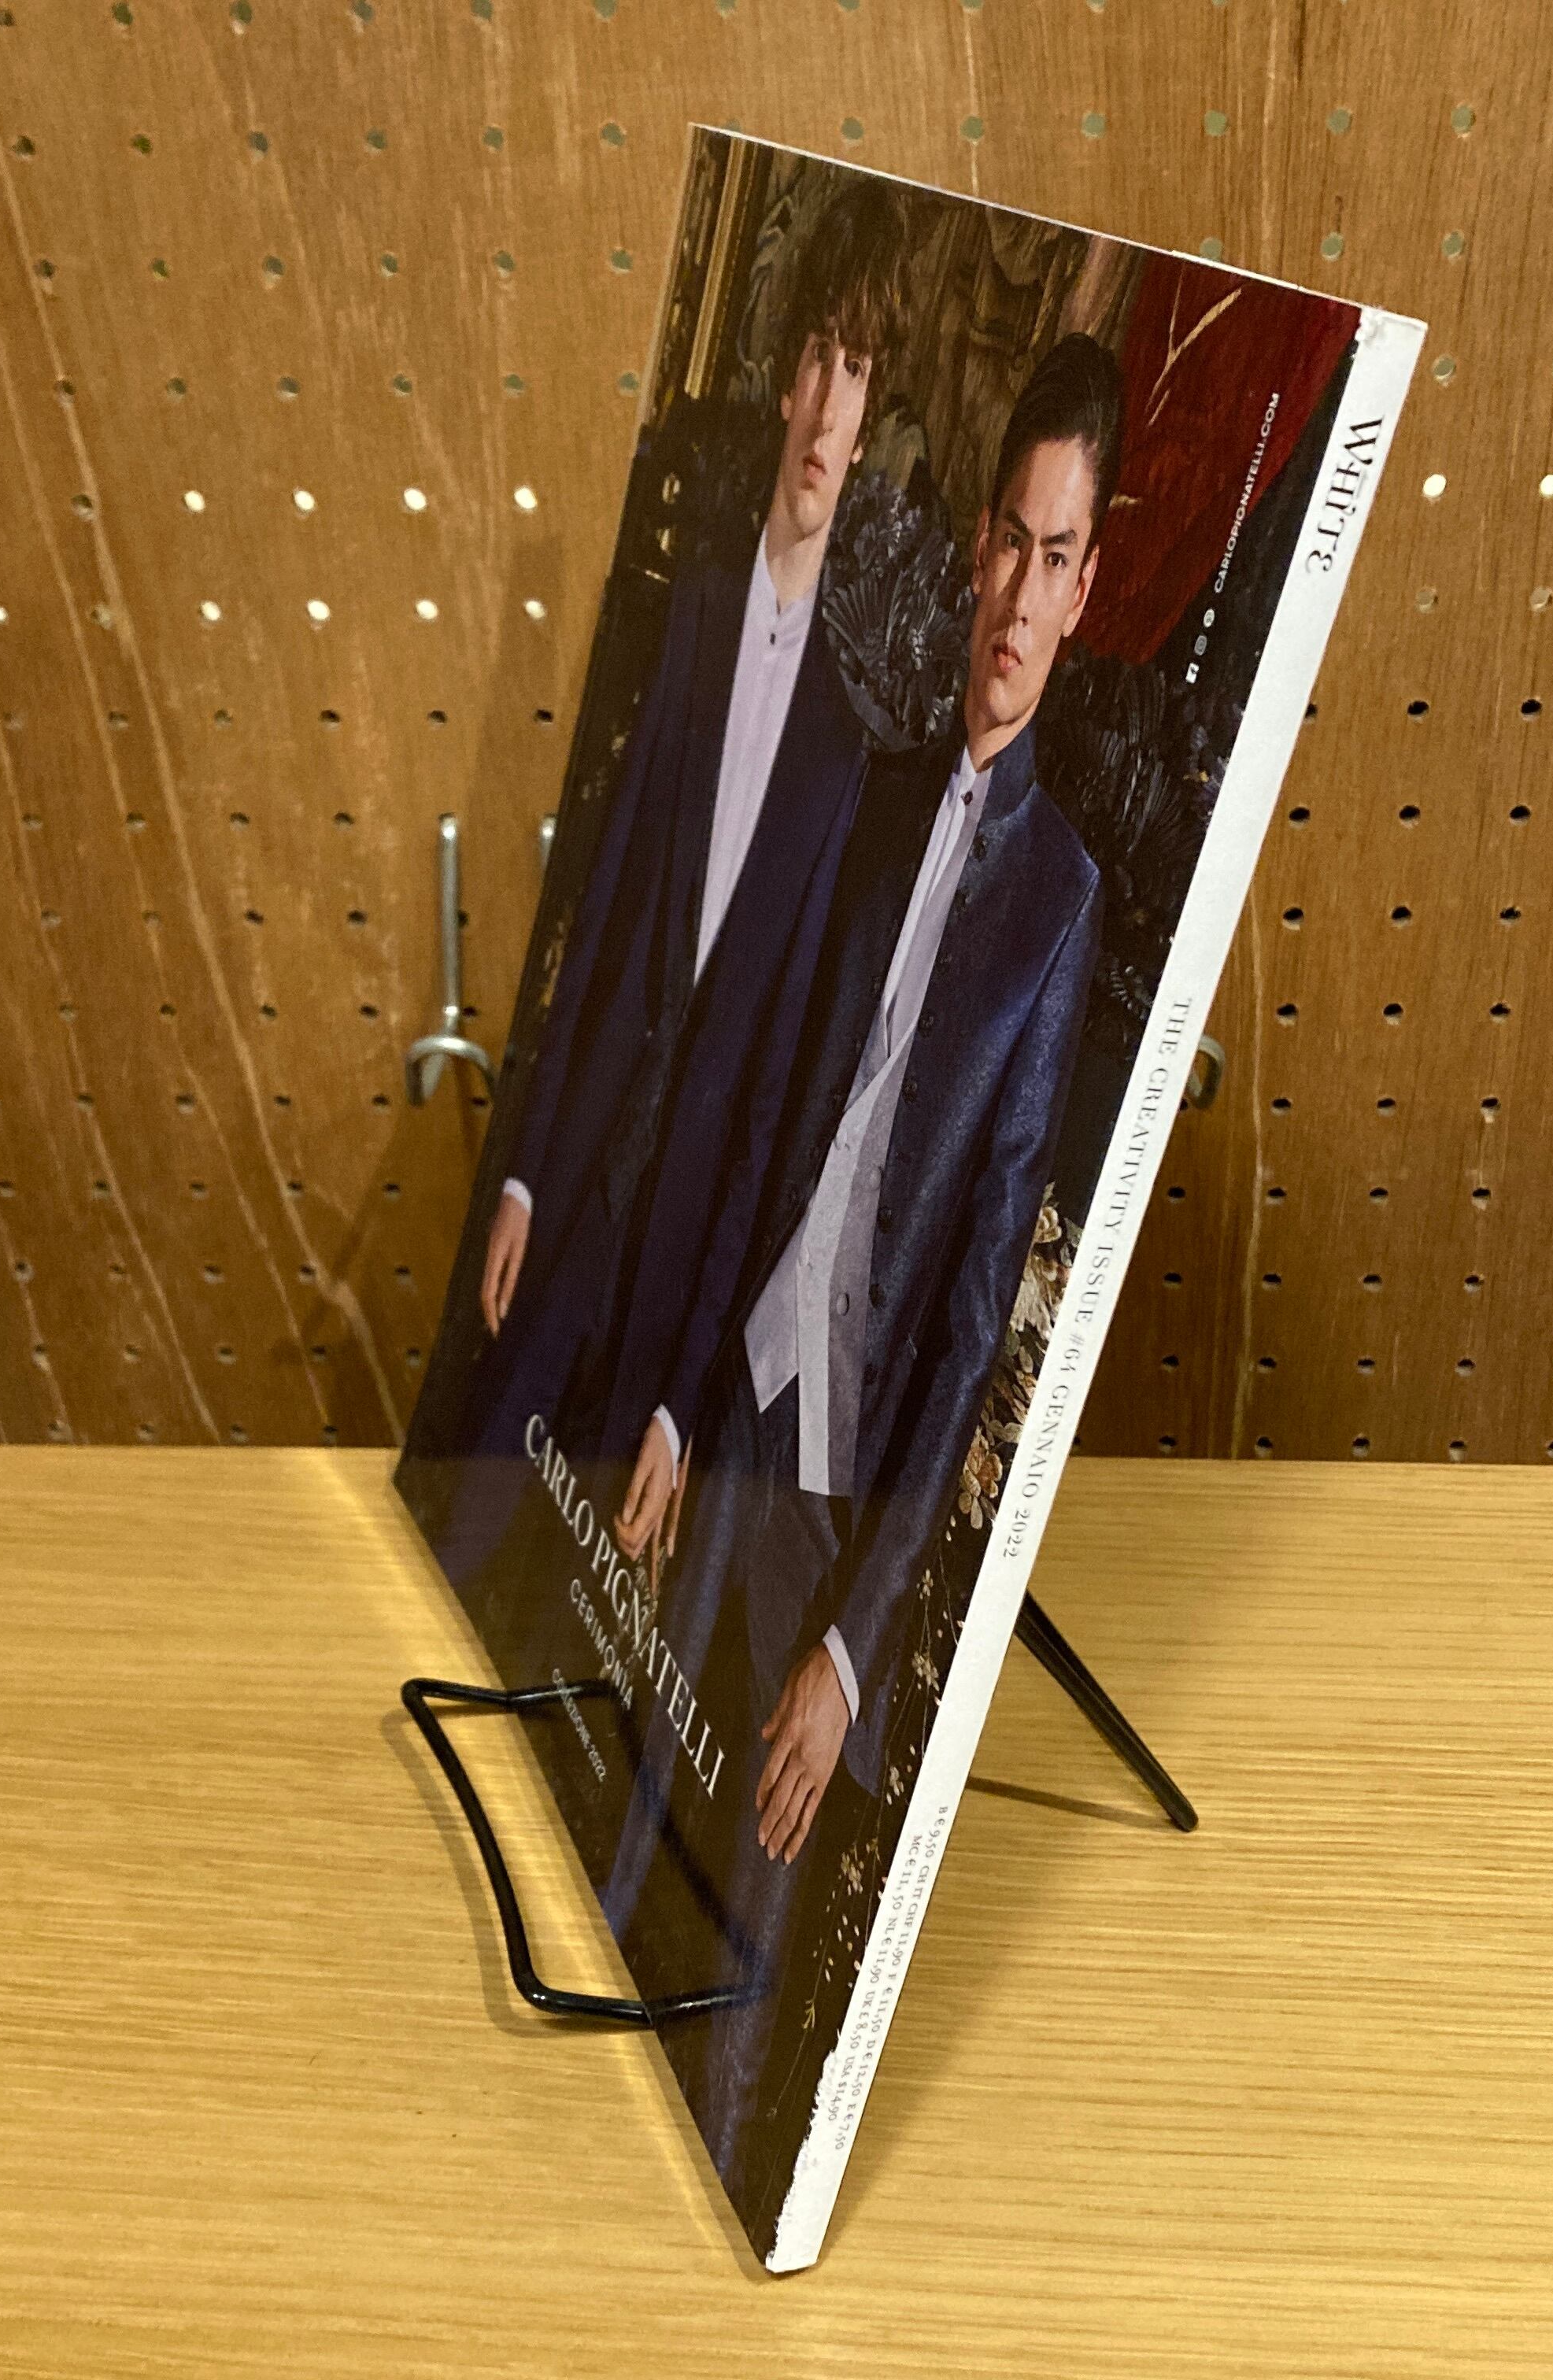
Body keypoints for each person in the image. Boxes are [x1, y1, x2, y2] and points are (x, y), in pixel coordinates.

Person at [605, 334, 1124, 2189]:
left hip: (842, 1512)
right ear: (978, 547)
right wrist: (679, 1396)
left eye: (1060, 558)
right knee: (627, 1836)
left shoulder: (1060, 905)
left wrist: (851, 1644)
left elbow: (978, 1317)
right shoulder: (882, 794)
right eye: (1009, 542)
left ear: (1086, 588)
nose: (1021, 593)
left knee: (743, 1968)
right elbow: (761, 1120)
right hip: (735, 1401)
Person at [419, 182, 909, 1605]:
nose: (828, 407)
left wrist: (688, 1399)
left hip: (671, 1275)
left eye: (859, 373)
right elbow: (596, 924)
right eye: (817, 359)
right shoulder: (689, 614)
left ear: (871, 419)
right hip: (568, 1189)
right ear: (786, 381)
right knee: (451, 1536)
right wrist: (521, 1172)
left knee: (553, 1611)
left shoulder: (842, 755)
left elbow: (768, 1111)